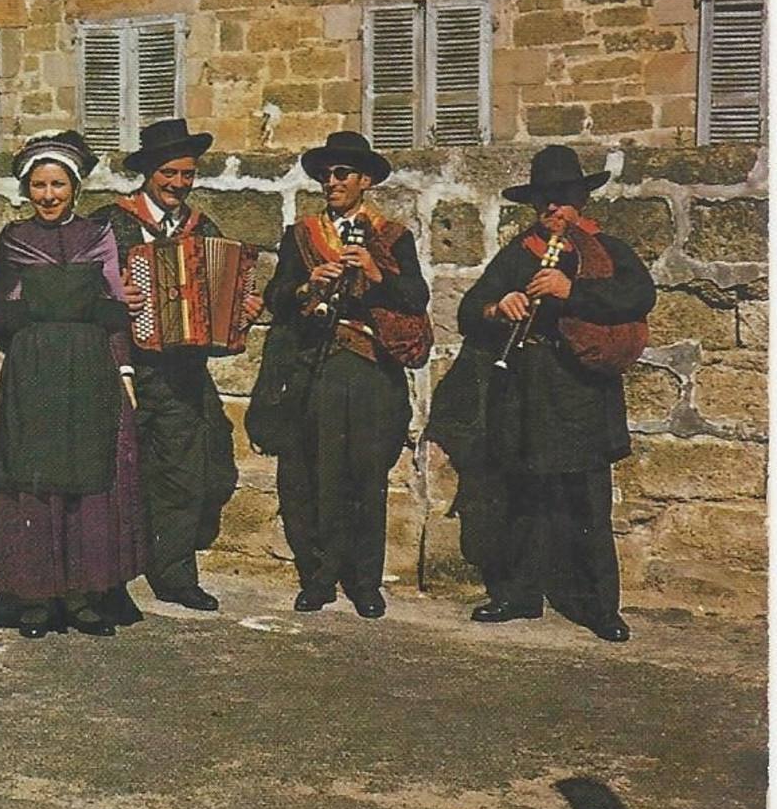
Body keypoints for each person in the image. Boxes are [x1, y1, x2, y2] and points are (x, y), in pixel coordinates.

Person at [458, 145, 655, 642]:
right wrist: (497, 306)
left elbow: (639, 296)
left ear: (580, 201)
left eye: (563, 198)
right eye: (545, 200)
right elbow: (469, 310)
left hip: (582, 390)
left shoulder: (608, 249)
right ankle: (519, 595)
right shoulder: (518, 252)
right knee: (524, 497)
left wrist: (573, 292)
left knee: (589, 504)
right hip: (526, 388)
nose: (553, 209)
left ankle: (600, 608)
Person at [0, 131, 146, 638]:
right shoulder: (14, 239)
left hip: (90, 371)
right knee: (35, 482)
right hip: (34, 370)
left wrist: (125, 370)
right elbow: (4, 316)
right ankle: (37, 598)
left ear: (75, 187)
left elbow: (117, 314)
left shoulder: (100, 235)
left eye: (57, 185)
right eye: (38, 185)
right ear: (26, 189)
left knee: (88, 481)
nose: (48, 195)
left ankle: (84, 596)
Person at [88, 118, 260, 612]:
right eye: (169, 173)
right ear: (147, 172)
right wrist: (115, 293)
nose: (178, 184)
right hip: (120, 368)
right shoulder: (107, 222)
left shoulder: (201, 227)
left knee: (184, 476)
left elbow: (234, 288)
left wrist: (244, 309)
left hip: (183, 373)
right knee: (115, 473)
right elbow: (80, 288)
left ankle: (175, 575)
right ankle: (110, 579)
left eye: (186, 175)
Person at [262, 131, 429, 620]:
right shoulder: (302, 235)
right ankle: (319, 578)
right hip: (320, 368)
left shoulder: (393, 236)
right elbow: (276, 299)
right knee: (319, 475)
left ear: (364, 181)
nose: (330, 182)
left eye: (341, 175)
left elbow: (415, 297)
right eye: (325, 174)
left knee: (367, 476)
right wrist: (305, 286)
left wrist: (377, 274)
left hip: (373, 370)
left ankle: (365, 582)